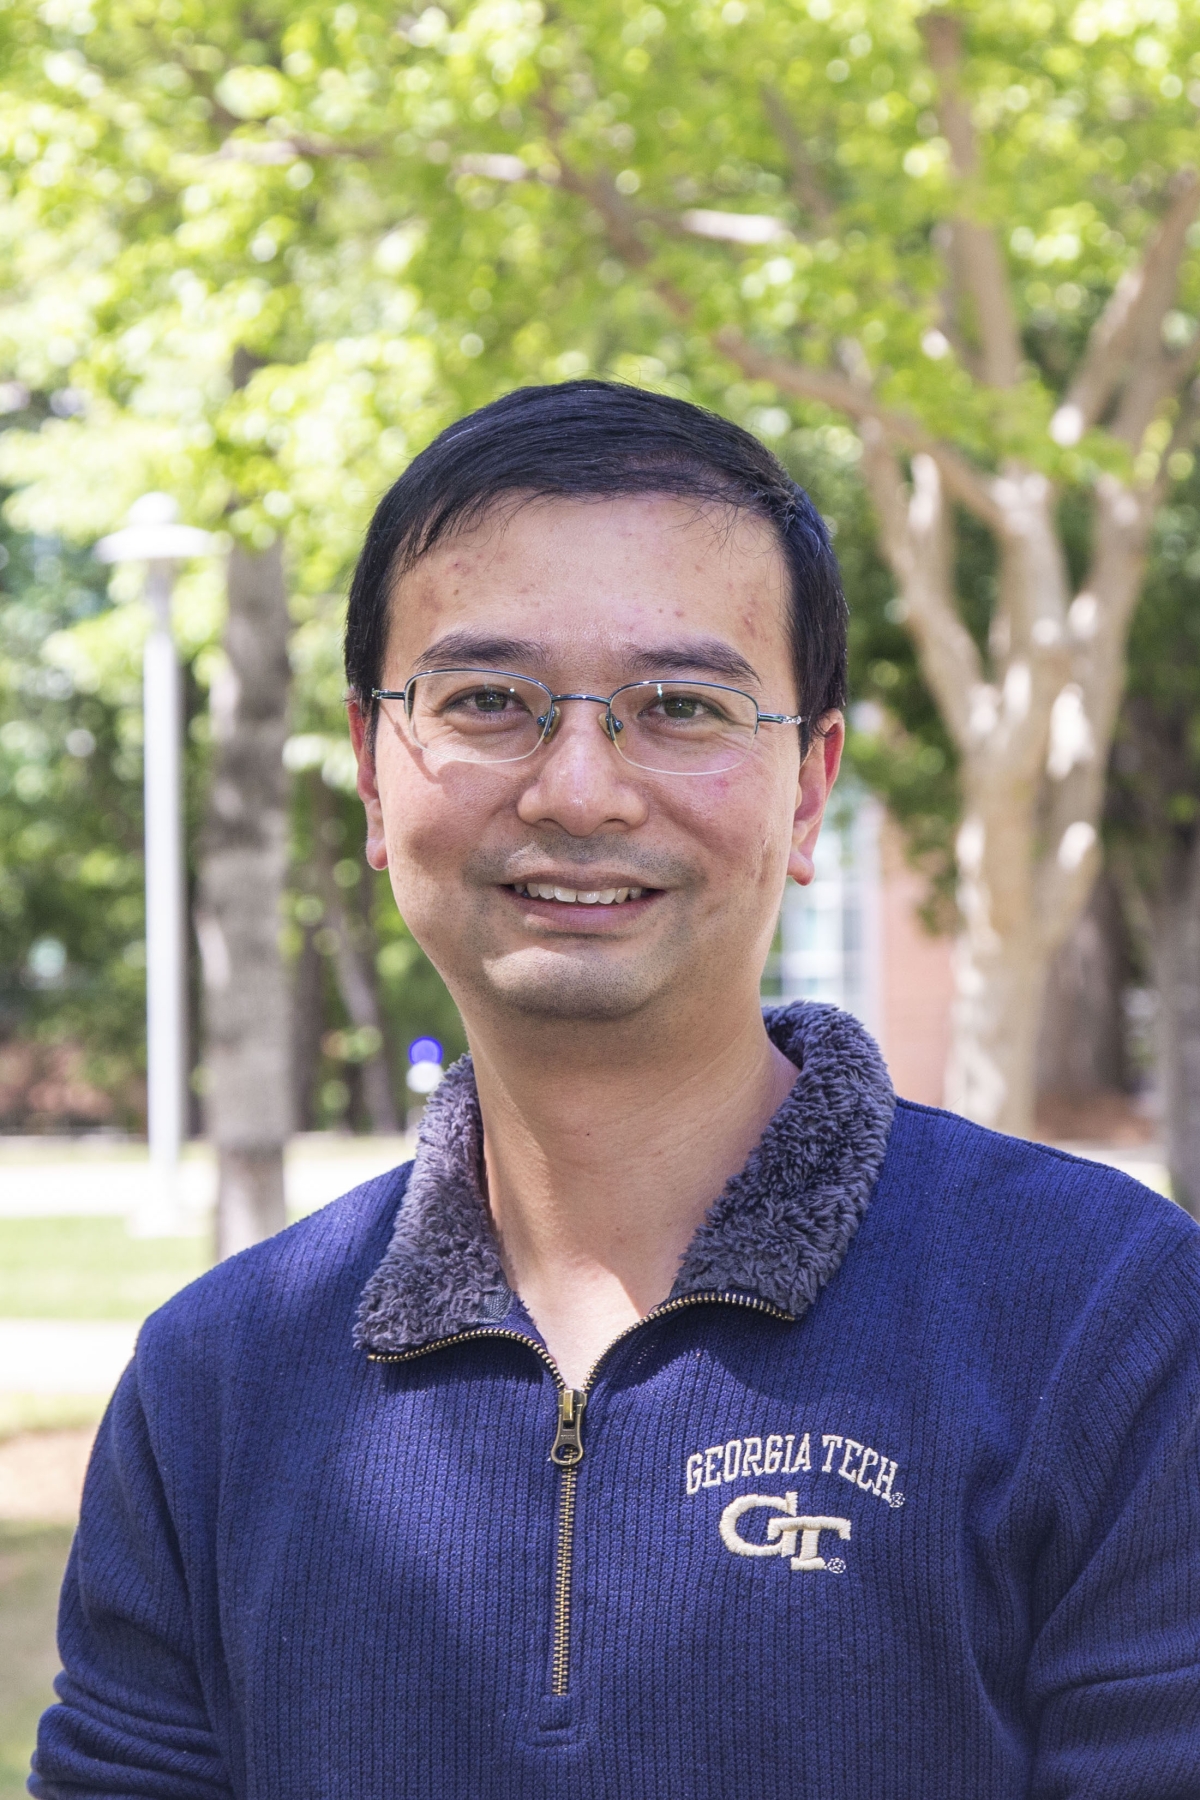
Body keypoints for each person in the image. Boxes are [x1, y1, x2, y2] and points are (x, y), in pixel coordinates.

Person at [32, 381, 1200, 1799]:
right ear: (369, 771)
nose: (580, 789)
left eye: (681, 707)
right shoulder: (215, 1385)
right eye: (486, 702)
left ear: (809, 789)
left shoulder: (1108, 1321)